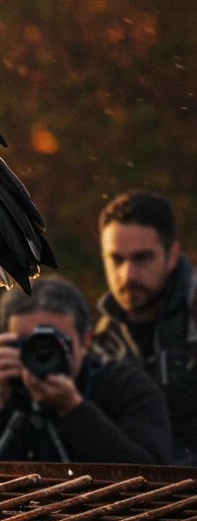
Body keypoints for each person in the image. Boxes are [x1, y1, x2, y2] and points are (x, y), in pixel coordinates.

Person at [0, 275, 171, 464]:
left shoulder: (126, 387)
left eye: (56, 342)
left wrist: (73, 409)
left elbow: (151, 474)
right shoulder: (2, 398)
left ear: (86, 339)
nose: (41, 354)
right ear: (5, 343)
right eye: (26, 344)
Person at [94, 190, 197, 465]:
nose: (128, 274)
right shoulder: (101, 345)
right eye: (116, 259)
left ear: (172, 255)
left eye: (142, 258)